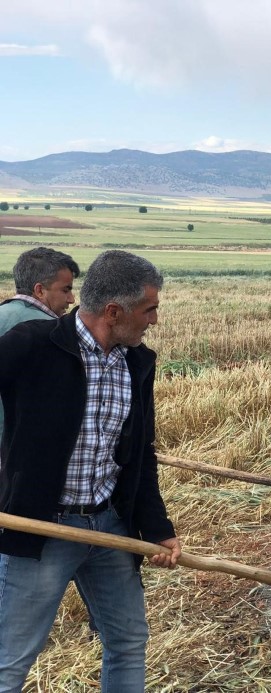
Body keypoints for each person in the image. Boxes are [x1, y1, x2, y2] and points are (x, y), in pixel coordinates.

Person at [0, 250, 181, 692]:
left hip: (109, 526)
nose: (154, 320)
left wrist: (155, 526)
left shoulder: (137, 362)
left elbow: (142, 454)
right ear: (114, 312)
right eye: (149, 309)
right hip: (41, 528)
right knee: (10, 659)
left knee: (127, 641)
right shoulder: (32, 344)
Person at [0, 247, 80, 436]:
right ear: (39, 290)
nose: (71, 299)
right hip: (18, 447)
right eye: (65, 290)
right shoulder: (54, 330)